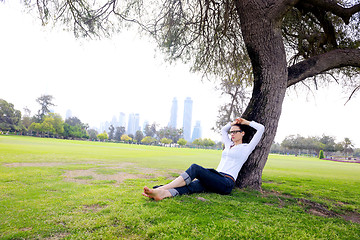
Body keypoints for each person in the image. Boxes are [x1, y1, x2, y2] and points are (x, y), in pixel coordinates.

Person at [142, 118, 265, 201]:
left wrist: (245, 122)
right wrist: (232, 123)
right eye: (231, 132)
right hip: (215, 177)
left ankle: (162, 188)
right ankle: (162, 193)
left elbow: (261, 129)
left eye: (235, 132)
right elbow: (223, 130)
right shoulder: (228, 145)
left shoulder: (247, 148)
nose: (232, 134)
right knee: (192, 186)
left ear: (243, 133)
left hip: (226, 182)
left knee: (195, 168)